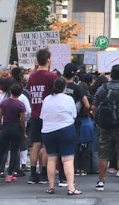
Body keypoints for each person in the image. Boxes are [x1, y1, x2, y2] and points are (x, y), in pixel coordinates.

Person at [40, 78, 80, 195]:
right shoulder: (69, 99)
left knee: (51, 159)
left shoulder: (47, 99)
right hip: (66, 129)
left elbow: (42, 116)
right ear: (64, 88)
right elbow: (74, 115)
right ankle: (71, 187)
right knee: (67, 159)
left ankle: (51, 187)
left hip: (48, 131)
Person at [26, 49, 58, 184]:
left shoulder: (32, 76)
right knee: (47, 145)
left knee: (36, 144)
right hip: (47, 115)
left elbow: (27, 89)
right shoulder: (52, 77)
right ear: (49, 60)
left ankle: (33, 174)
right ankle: (44, 172)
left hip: (34, 113)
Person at [0, 82, 27, 184]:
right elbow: (22, 120)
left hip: (5, 127)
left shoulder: (3, 102)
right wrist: (23, 132)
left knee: (1, 151)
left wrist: (0, 128)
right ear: (20, 93)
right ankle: (10, 174)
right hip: (16, 128)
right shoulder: (21, 105)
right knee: (14, 151)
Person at [63, 63, 91, 178]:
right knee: (73, 146)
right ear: (75, 74)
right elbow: (87, 105)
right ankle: (72, 169)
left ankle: (62, 171)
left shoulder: (59, 86)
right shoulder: (78, 88)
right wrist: (83, 112)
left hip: (60, 120)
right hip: (74, 121)